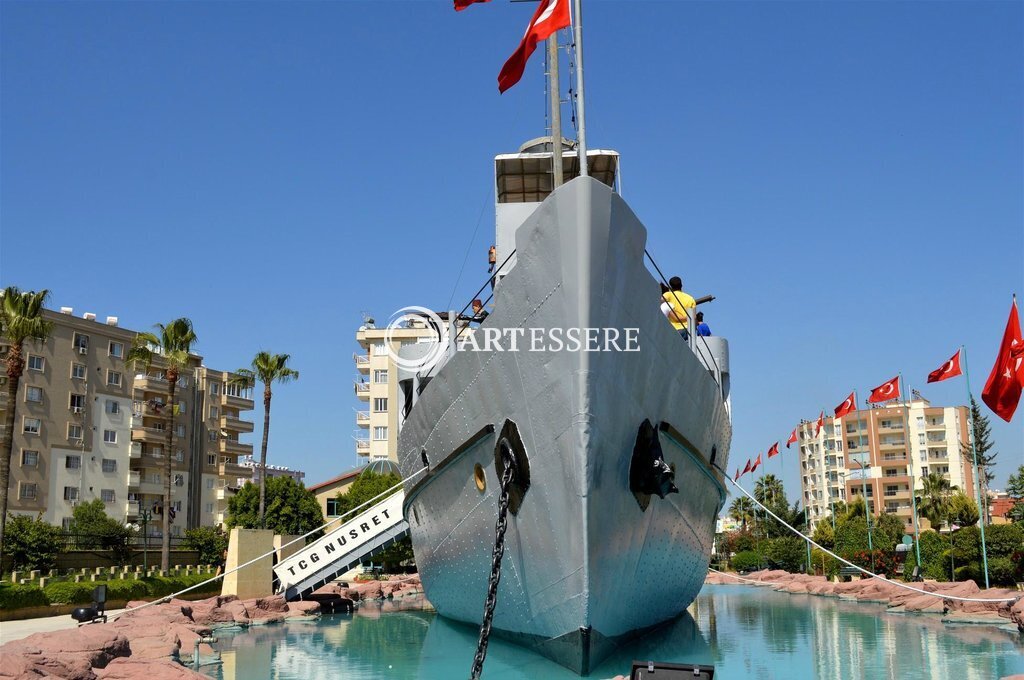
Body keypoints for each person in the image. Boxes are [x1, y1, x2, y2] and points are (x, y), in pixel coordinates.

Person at [662, 276, 696, 341]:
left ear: (670, 286)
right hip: (687, 330)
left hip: (674, 328)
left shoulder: (668, 295)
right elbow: (694, 317)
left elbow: (660, 302)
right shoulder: (690, 298)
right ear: (681, 285)